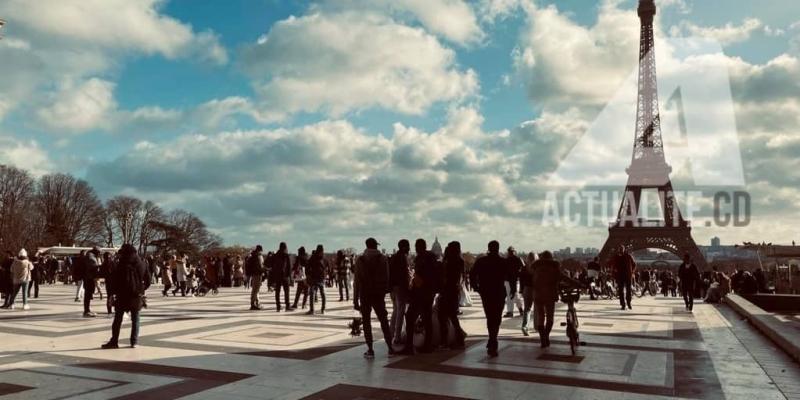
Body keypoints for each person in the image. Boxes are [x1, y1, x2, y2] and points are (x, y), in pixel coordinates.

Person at [353, 237, 395, 359]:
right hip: (378, 294)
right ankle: (390, 347)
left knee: (366, 322)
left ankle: (370, 349)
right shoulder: (383, 259)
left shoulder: (360, 259)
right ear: (375, 246)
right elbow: (387, 278)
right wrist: (383, 292)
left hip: (365, 294)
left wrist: (355, 300)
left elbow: (357, 282)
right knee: (383, 321)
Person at [102, 244, 150, 349]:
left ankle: (114, 341)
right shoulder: (142, 264)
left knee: (118, 319)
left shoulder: (120, 264)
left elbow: (114, 281)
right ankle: (134, 341)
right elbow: (148, 280)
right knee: (136, 319)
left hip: (122, 295)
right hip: (136, 295)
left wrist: (112, 293)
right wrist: (141, 289)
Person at [400, 239, 439, 354]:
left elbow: (419, 279)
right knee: (427, 319)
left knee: (410, 317)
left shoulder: (421, 259)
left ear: (417, 247)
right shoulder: (432, 258)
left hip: (420, 293)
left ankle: (409, 346)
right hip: (430, 292)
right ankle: (428, 345)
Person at [469, 240, 507, 357]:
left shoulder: (481, 261)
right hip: (499, 292)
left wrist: (476, 287)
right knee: (497, 317)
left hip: (486, 292)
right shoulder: (502, 262)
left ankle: (492, 339)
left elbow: (472, 274)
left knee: (490, 316)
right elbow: (510, 276)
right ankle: (493, 339)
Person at [532, 251, 571, 348]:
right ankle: (546, 336)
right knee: (550, 317)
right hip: (550, 295)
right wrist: (579, 284)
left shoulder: (536, 267)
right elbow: (564, 278)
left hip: (538, 295)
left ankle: (542, 339)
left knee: (541, 317)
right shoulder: (554, 268)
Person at [438, 241, 466, 349]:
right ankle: (459, 338)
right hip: (454, 291)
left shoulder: (448, 261)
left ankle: (445, 341)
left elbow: (444, 276)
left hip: (447, 291)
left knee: (443, 317)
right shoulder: (460, 261)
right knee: (452, 316)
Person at [389, 239, 411, 346]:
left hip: (393, 287)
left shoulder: (393, 257)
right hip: (400, 287)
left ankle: (391, 333)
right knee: (400, 312)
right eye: (408, 246)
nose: (409, 249)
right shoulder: (402, 258)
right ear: (404, 247)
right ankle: (397, 336)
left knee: (395, 311)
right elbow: (404, 275)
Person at [610, 245, 636, 310]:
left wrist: (632, 272)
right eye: (620, 249)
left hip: (627, 275)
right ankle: (623, 304)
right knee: (622, 291)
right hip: (621, 275)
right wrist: (614, 270)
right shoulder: (617, 257)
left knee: (627, 290)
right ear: (618, 250)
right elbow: (613, 266)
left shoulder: (628, 256)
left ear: (624, 249)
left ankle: (628, 302)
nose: (621, 250)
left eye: (622, 249)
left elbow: (634, 264)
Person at [306, 245, 327, 315]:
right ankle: (321, 309)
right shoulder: (323, 258)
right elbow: (327, 266)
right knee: (319, 293)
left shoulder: (314, 257)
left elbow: (307, 266)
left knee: (315, 293)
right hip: (318, 278)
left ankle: (315, 310)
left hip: (316, 278)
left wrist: (308, 274)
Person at [272, 242, 293, 312]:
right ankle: (287, 306)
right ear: (285, 248)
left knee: (277, 291)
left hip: (277, 275)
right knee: (286, 291)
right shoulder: (286, 255)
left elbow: (272, 265)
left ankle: (278, 306)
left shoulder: (276, 255)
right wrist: (290, 277)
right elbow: (289, 267)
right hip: (285, 276)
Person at [520, 252, 536, 336]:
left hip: (527, 288)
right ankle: (537, 326)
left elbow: (521, 280)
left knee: (527, 309)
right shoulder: (537, 267)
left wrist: (521, 290)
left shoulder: (524, 268)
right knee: (538, 308)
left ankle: (525, 326)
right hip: (536, 289)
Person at [504, 247, 523, 318]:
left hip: (510, 280)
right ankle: (520, 309)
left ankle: (511, 311)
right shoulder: (518, 259)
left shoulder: (507, 260)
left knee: (512, 296)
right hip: (513, 280)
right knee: (515, 296)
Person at [82, 247, 101, 317]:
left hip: (88, 277)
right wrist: (100, 267)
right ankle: (86, 311)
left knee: (88, 294)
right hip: (89, 278)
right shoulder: (91, 257)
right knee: (88, 294)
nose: (99, 254)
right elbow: (93, 267)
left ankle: (87, 310)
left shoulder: (90, 256)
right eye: (99, 252)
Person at [246, 245, 265, 310]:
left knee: (256, 289)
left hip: (254, 274)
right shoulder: (258, 257)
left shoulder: (253, 256)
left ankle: (256, 303)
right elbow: (260, 267)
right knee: (255, 290)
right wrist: (265, 269)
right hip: (257, 274)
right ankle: (253, 304)